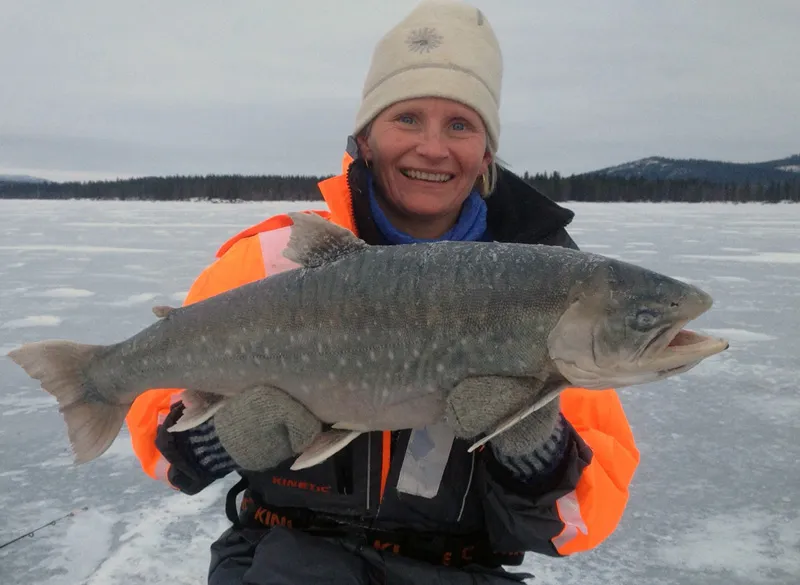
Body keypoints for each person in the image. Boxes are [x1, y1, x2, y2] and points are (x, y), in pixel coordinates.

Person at [126, 1, 640, 583]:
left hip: (459, 569)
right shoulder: (271, 261)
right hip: (283, 557)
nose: (433, 147)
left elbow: (584, 518)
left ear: (486, 154)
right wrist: (222, 438)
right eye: (407, 119)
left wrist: (535, 450)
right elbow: (157, 438)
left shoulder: (551, 288)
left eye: (460, 125)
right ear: (365, 140)